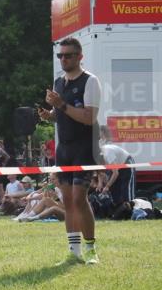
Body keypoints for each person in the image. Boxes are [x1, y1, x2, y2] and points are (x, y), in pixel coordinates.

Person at [38, 37, 102, 264]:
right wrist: (50, 115)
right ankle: (74, 252)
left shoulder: (90, 81)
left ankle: (91, 249)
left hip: (84, 148)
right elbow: (62, 115)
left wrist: (61, 105)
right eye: (60, 56)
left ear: (79, 57)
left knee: (78, 198)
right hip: (63, 149)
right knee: (66, 199)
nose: (63, 59)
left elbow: (88, 117)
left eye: (68, 55)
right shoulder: (58, 83)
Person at [99, 126, 136, 208]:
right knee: (115, 188)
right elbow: (100, 171)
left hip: (127, 163)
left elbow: (115, 173)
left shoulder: (108, 154)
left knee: (126, 188)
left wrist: (107, 186)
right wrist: (100, 183)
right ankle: (118, 209)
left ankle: (131, 209)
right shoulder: (98, 157)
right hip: (118, 164)